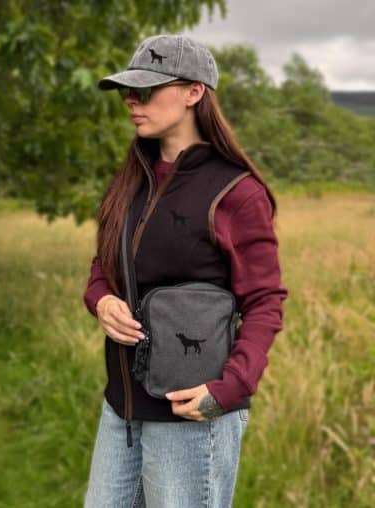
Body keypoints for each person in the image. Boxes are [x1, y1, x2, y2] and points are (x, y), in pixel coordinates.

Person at [83, 33, 289, 508]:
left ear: (194, 92)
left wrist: (230, 389)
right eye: (127, 91)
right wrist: (102, 300)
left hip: (191, 415)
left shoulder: (237, 192)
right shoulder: (132, 179)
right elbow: (104, 264)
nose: (132, 101)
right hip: (122, 408)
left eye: (147, 90)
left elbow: (265, 302)